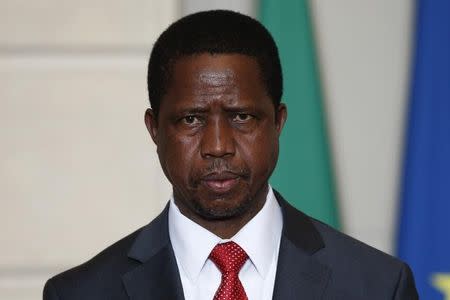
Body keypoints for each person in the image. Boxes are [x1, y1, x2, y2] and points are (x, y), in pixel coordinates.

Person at [43, 10, 418, 299]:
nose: (218, 145)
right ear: (154, 129)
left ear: (279, 122)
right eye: (191, 119)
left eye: (242, 117)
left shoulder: (378, 286)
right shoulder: (82, 293)